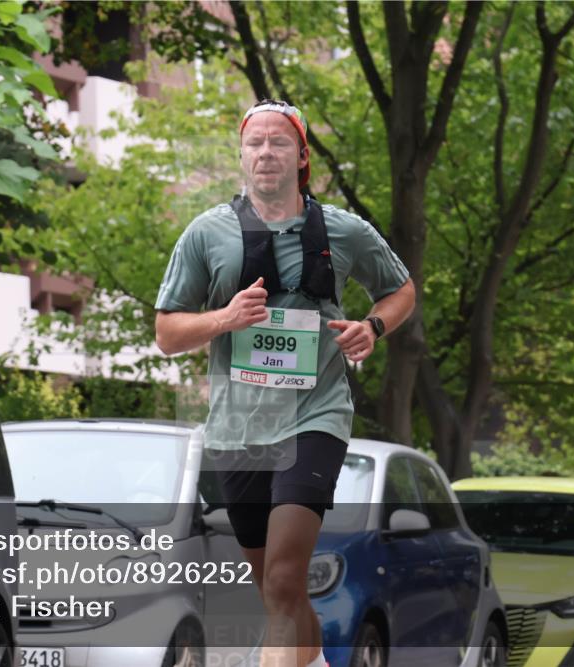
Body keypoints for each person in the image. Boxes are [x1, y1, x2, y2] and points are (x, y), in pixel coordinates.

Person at [154, 99, 416, 667]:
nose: (265, 152)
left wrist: (373, 327)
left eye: (278, 142)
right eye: (255, 143)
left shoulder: (345, 231)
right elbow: (168, 333)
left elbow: (401, 291)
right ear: (241, 155)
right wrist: (225, 318)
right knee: (281, 591)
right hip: (237, 429)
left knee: (282, 577)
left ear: (301, 156)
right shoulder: (206, 234)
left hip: (314, 417)